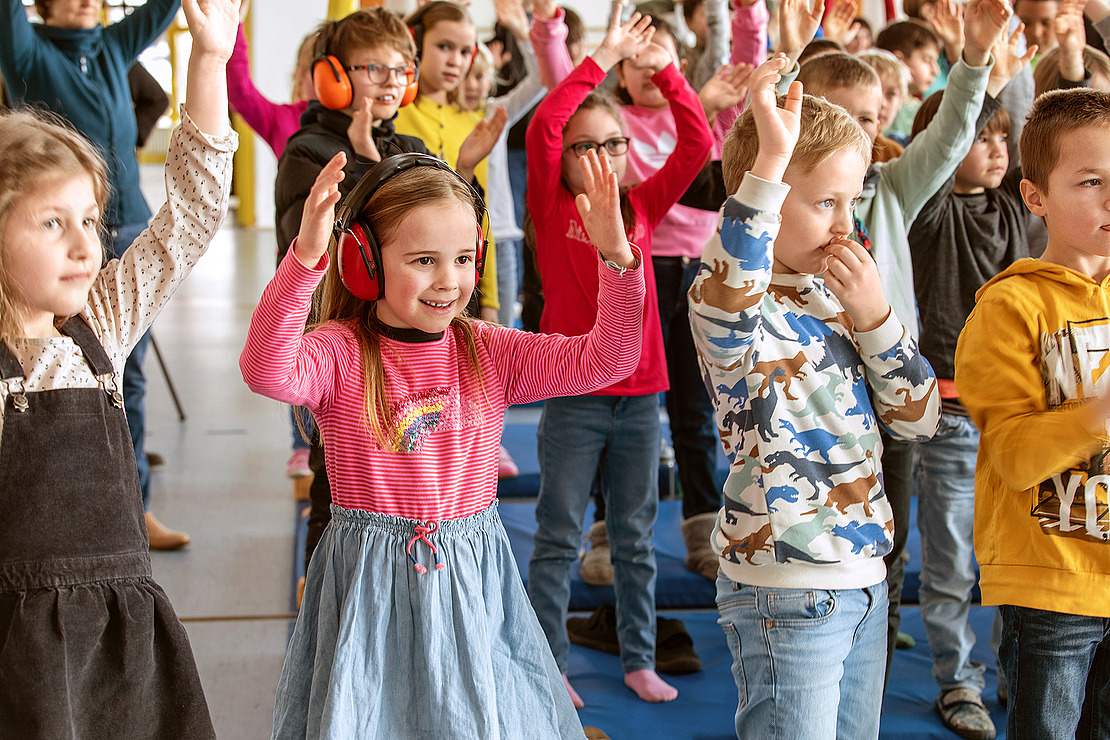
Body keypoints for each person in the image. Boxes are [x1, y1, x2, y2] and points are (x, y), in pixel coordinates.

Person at [240, 138, 644, 734]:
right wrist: (305, 258)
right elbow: (266, 368)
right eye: (423, 260)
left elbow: (608, 360)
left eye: (462, 258)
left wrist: (617, 260)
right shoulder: (341, 351)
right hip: (369, 582)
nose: (449, 280)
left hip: (471, 575)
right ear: (365, 262)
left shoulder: (486, 349)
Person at [0, 0, 238, 734]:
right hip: (23, 648)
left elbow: (190, 217)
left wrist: (207, 62)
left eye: (90, 219)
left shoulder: (99, 325)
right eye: (51, 222)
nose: (84, 245)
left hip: (124, 635)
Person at [690, 54, 941, 740]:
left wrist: (877, 316)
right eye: (825, 201)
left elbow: (917, 419)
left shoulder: (841, 298)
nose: (843, 223)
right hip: (784, 590)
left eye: (851, 201)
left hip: (864, 580)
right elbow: (736, 273)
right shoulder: (727, 303)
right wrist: (770, 159)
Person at [795, 0, 1010, 684]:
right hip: (807, 403)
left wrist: (972, 59)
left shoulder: (888, 189)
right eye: (848, 114)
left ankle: (871, 669)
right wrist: (796, 53)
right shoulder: (780, 200)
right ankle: (809, 657)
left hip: (886, 400)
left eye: (872, 113)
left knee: (885, 540)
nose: (870, 124)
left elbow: (949, 138)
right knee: (811, 535)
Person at [525, 5, 712, 708]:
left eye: (613, 144)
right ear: (564, 158)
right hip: (576, 395)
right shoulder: (551, 205)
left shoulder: (641, 209)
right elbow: (547, 123)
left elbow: (695, 143)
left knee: (634, 538)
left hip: (639, 397)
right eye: (585, 147)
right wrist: (600, 57)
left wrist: (663, 67)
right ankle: (549, 661)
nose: (601, 159)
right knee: (558, 533)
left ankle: (639, 655)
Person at [0, 0, 189, 549]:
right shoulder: (28, 51)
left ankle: (135, 505)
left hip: (125, 223)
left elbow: (161, 10)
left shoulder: (110, 45)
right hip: (47, 243)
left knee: (125, 375)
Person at [954, 86, 1110, 740]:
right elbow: (1014, 455)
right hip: (1051, 587)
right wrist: (1094, 417)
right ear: (1036, 196)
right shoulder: (1009, 307)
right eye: (1092, 181)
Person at [272, 6, 431, 597]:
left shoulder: (409, 144)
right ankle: (324, 610)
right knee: (336, 480)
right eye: (375, 68)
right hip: (341, 343)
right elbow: (313, 251)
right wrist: (365, 163)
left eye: (402, 68)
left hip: (411, 342)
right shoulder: (308, 152)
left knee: (404, 475)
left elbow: (433, 229)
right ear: (334, 76)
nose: (393, 81)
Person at [906, 33, 1039, 734]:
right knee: (953, 563)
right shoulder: (929, 214)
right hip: (952, 416)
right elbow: (940, 154)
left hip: (1020, 417)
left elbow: (1044, 144)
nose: (993, 148)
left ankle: (1019, 669)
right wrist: (984, 80)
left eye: (1001, 138)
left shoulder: (1019, 211)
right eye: (979, 137)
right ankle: (959, 680)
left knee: (1018, 561)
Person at [394, 0, 507, 323]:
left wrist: (491, 301)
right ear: (416, 44)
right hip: (404, 289)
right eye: (444, 46)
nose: (455, 62)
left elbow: (482, 221)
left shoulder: (475, 124)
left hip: (458, 288)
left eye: (464, 52)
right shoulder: (393, 118)